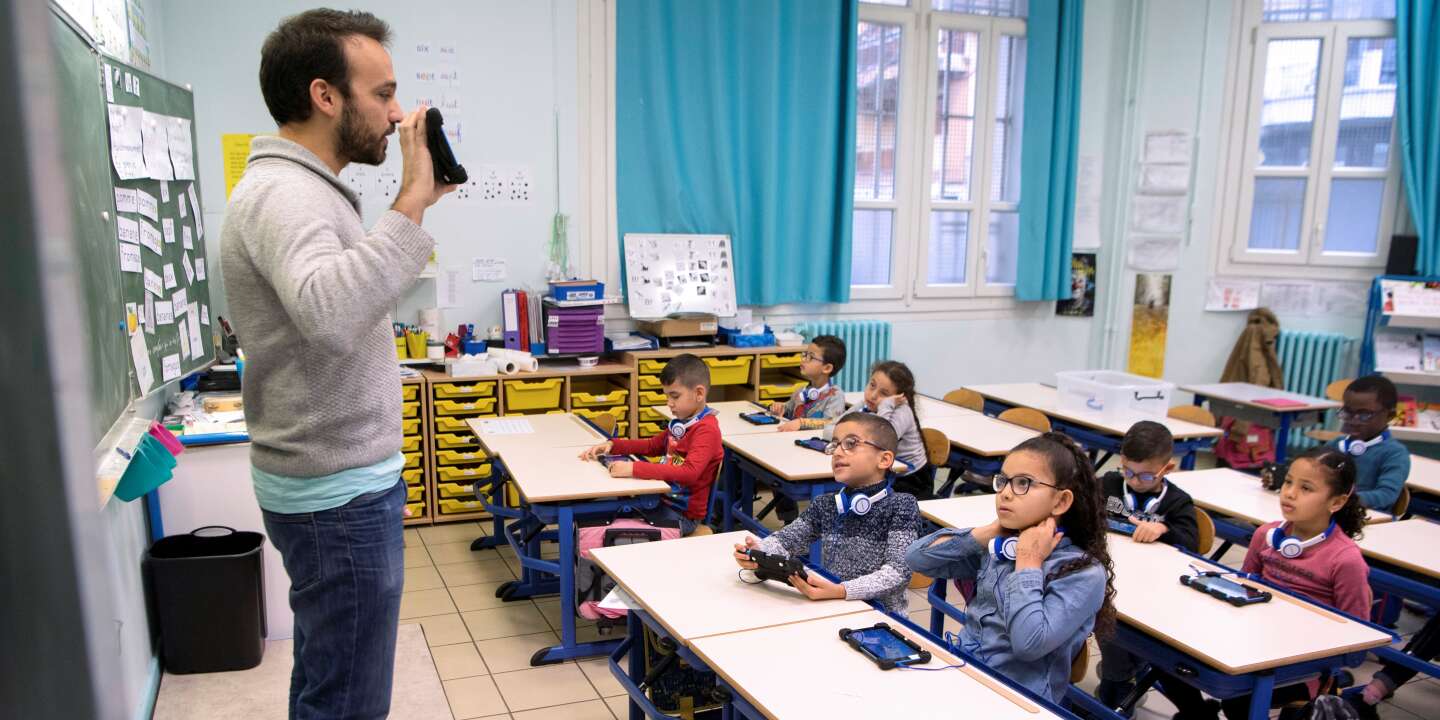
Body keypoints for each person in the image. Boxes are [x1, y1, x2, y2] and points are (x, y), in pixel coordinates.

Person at [220, 9, 453, 717]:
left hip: (340, 483)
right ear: (326, 96)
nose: (396, 113)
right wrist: (412, 199)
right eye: (381, 93)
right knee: (348, 698)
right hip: (337, 496)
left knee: (331, 677)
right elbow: (331, 315)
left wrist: (416, 201)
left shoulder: (305, 189)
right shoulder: (286, 195)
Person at [905, 433, 1117, 704]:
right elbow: (916, 559)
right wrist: (987, 532)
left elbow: (1029, 644)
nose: (1005, 492)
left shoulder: (1082, 573)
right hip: (964, 674)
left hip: (1017, 700)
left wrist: (1029, 563)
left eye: (1023, 484)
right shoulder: (1001, 545)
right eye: (1003, 480)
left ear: (1061, 501)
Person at [1169, 446, 1372, 720]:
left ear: (1336, 502)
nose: (1289, 492)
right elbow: (1242, 588)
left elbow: (1356, 639)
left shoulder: (1345, 560)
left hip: (1301, 664)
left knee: (1237, 701)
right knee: (1168, 657)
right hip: (1253, 641)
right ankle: (1199, 714)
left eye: (1306, 488)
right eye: (1288, 481)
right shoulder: (1265, 535)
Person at [732, 413, 918, 613]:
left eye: (851, 443)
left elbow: (898, 572)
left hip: (882, 617)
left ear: (884, 459)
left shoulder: (902, 506)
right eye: (835, 444)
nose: (837, 452)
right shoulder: (827, 504)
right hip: (832, 605)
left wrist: (842, 590)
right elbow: (786, 540)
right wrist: (758, 552)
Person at [1094, 421, 1201, 710]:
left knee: (1112, 620)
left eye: (1145, 475)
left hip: (1153, 587)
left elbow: (1193, 545)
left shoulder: (1177, 502)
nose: (1135, 480)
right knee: (1102, 610)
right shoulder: (1108, 485)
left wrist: (1165, 530)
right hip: (1110, 572)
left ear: (1168, 468)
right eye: (1128, 471)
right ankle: (1123, 674)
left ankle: (1119, 681)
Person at [580, 354, 721, 536]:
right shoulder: (684, 422)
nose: (669, 403)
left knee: (605, 529)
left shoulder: (706, 430)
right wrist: (613, 445)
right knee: (594, 515)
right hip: (659, 501)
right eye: (667, 396)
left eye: (675, 396)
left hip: (681, 516)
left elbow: (689, 473)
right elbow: (652, 446)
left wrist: (634, 469)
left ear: (699, 394)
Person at [768, 335, 847, 522]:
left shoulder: (835, 395)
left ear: (827, 368)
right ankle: (789, 518)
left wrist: (802, 423)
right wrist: (779, 407)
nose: (803, 359)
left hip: (817, 454)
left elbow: (832, 422)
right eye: (804, 354)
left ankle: (798, 522)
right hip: (795, 448)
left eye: (810, 357)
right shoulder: (801, 391)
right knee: (773, 470)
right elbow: (789, 409)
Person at [833, 361, 932, 500]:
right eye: (872, 385)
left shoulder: (902, 411)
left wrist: (886, 405)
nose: (873, 395)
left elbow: (880, 440)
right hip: (883, 471)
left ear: (897, 398)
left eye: (884, 393)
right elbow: (835, 429)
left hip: (911, 480)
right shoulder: (865, 406)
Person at [1326, 374, 1409, 511]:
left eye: (1364, 415)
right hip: (1332, 512)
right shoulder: (1336, 445)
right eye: (1347, 412)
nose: (1353, 421)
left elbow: (1386, 495)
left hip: (1367, 519)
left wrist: (1343, 501)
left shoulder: (1395, 454)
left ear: (1389, 416)